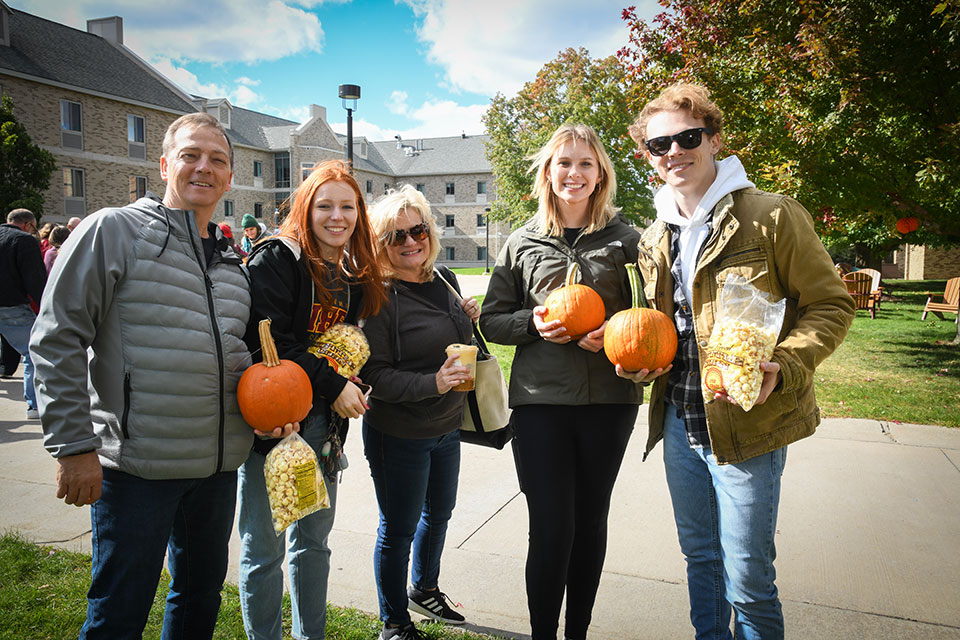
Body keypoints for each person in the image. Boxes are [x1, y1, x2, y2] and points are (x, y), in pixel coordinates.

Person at [29, 112, 295, 640]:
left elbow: (231, 356)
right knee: (118, 613)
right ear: (164, 163)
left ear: (229, 176)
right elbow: (56, 338)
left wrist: (266, 413)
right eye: (191, 155)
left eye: (218, 159)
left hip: (216, 471)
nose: (204, 167)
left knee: (197, 602)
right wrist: (74, 446)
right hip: (136, 470)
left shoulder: (230, 263)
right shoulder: (116, 230)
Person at [620, 84, 855, 640]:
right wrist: (642, 363)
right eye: (659, 145)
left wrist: (787, 364)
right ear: (647, 158)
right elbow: (661, 329)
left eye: (687, 137)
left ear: (714, 139)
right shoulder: (654, 237)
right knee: (700, 560)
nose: (674, 152)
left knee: (748, 577)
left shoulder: (771, 216)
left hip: (748, 419)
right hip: (679, 421)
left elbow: (830, 304)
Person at [478, 124, 642, 640]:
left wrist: (613, 334)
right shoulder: (522, 241)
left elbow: (648, 316)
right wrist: (535, 325)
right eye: (564, 163)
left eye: (586, 164)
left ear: (601, 176)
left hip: (608, 401)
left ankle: (578, 633)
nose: (574, 173)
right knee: (551, 527)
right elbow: (492, 318)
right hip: (539, 403)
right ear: (548, 173)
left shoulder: (628, 240)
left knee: (591, 522)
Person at [238, 159, 387, 640]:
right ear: (306, 207)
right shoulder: (277, 259)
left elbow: (347, 347)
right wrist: (334, 385)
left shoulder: (352, 272)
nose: (337, 216)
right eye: (325, 205)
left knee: (314, 543)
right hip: (276, 427)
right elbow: (272, 342)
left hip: (324, 432)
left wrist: (354, 385)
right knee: (264, 549)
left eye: (348, 206)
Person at [361, 185, 479, 640]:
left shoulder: (444, 277)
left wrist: (468, 314)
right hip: (399, 433)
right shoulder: (378, 297)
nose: (412, 241)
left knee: (440, 513)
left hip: (447, 425)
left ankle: (424, 588)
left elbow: (456, 344)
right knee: (398, 529)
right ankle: (393, 621)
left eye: (418, 230)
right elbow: (375, 375)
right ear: (381, 244)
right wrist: (433, 382)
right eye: (397, 236)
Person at [0, 208, 45, 419]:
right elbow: (35, 280)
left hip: (9, 305)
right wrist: (47, 306)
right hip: (11, 306)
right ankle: (34, 405)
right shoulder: (24, 241)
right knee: (32, 353)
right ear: (28, 225)